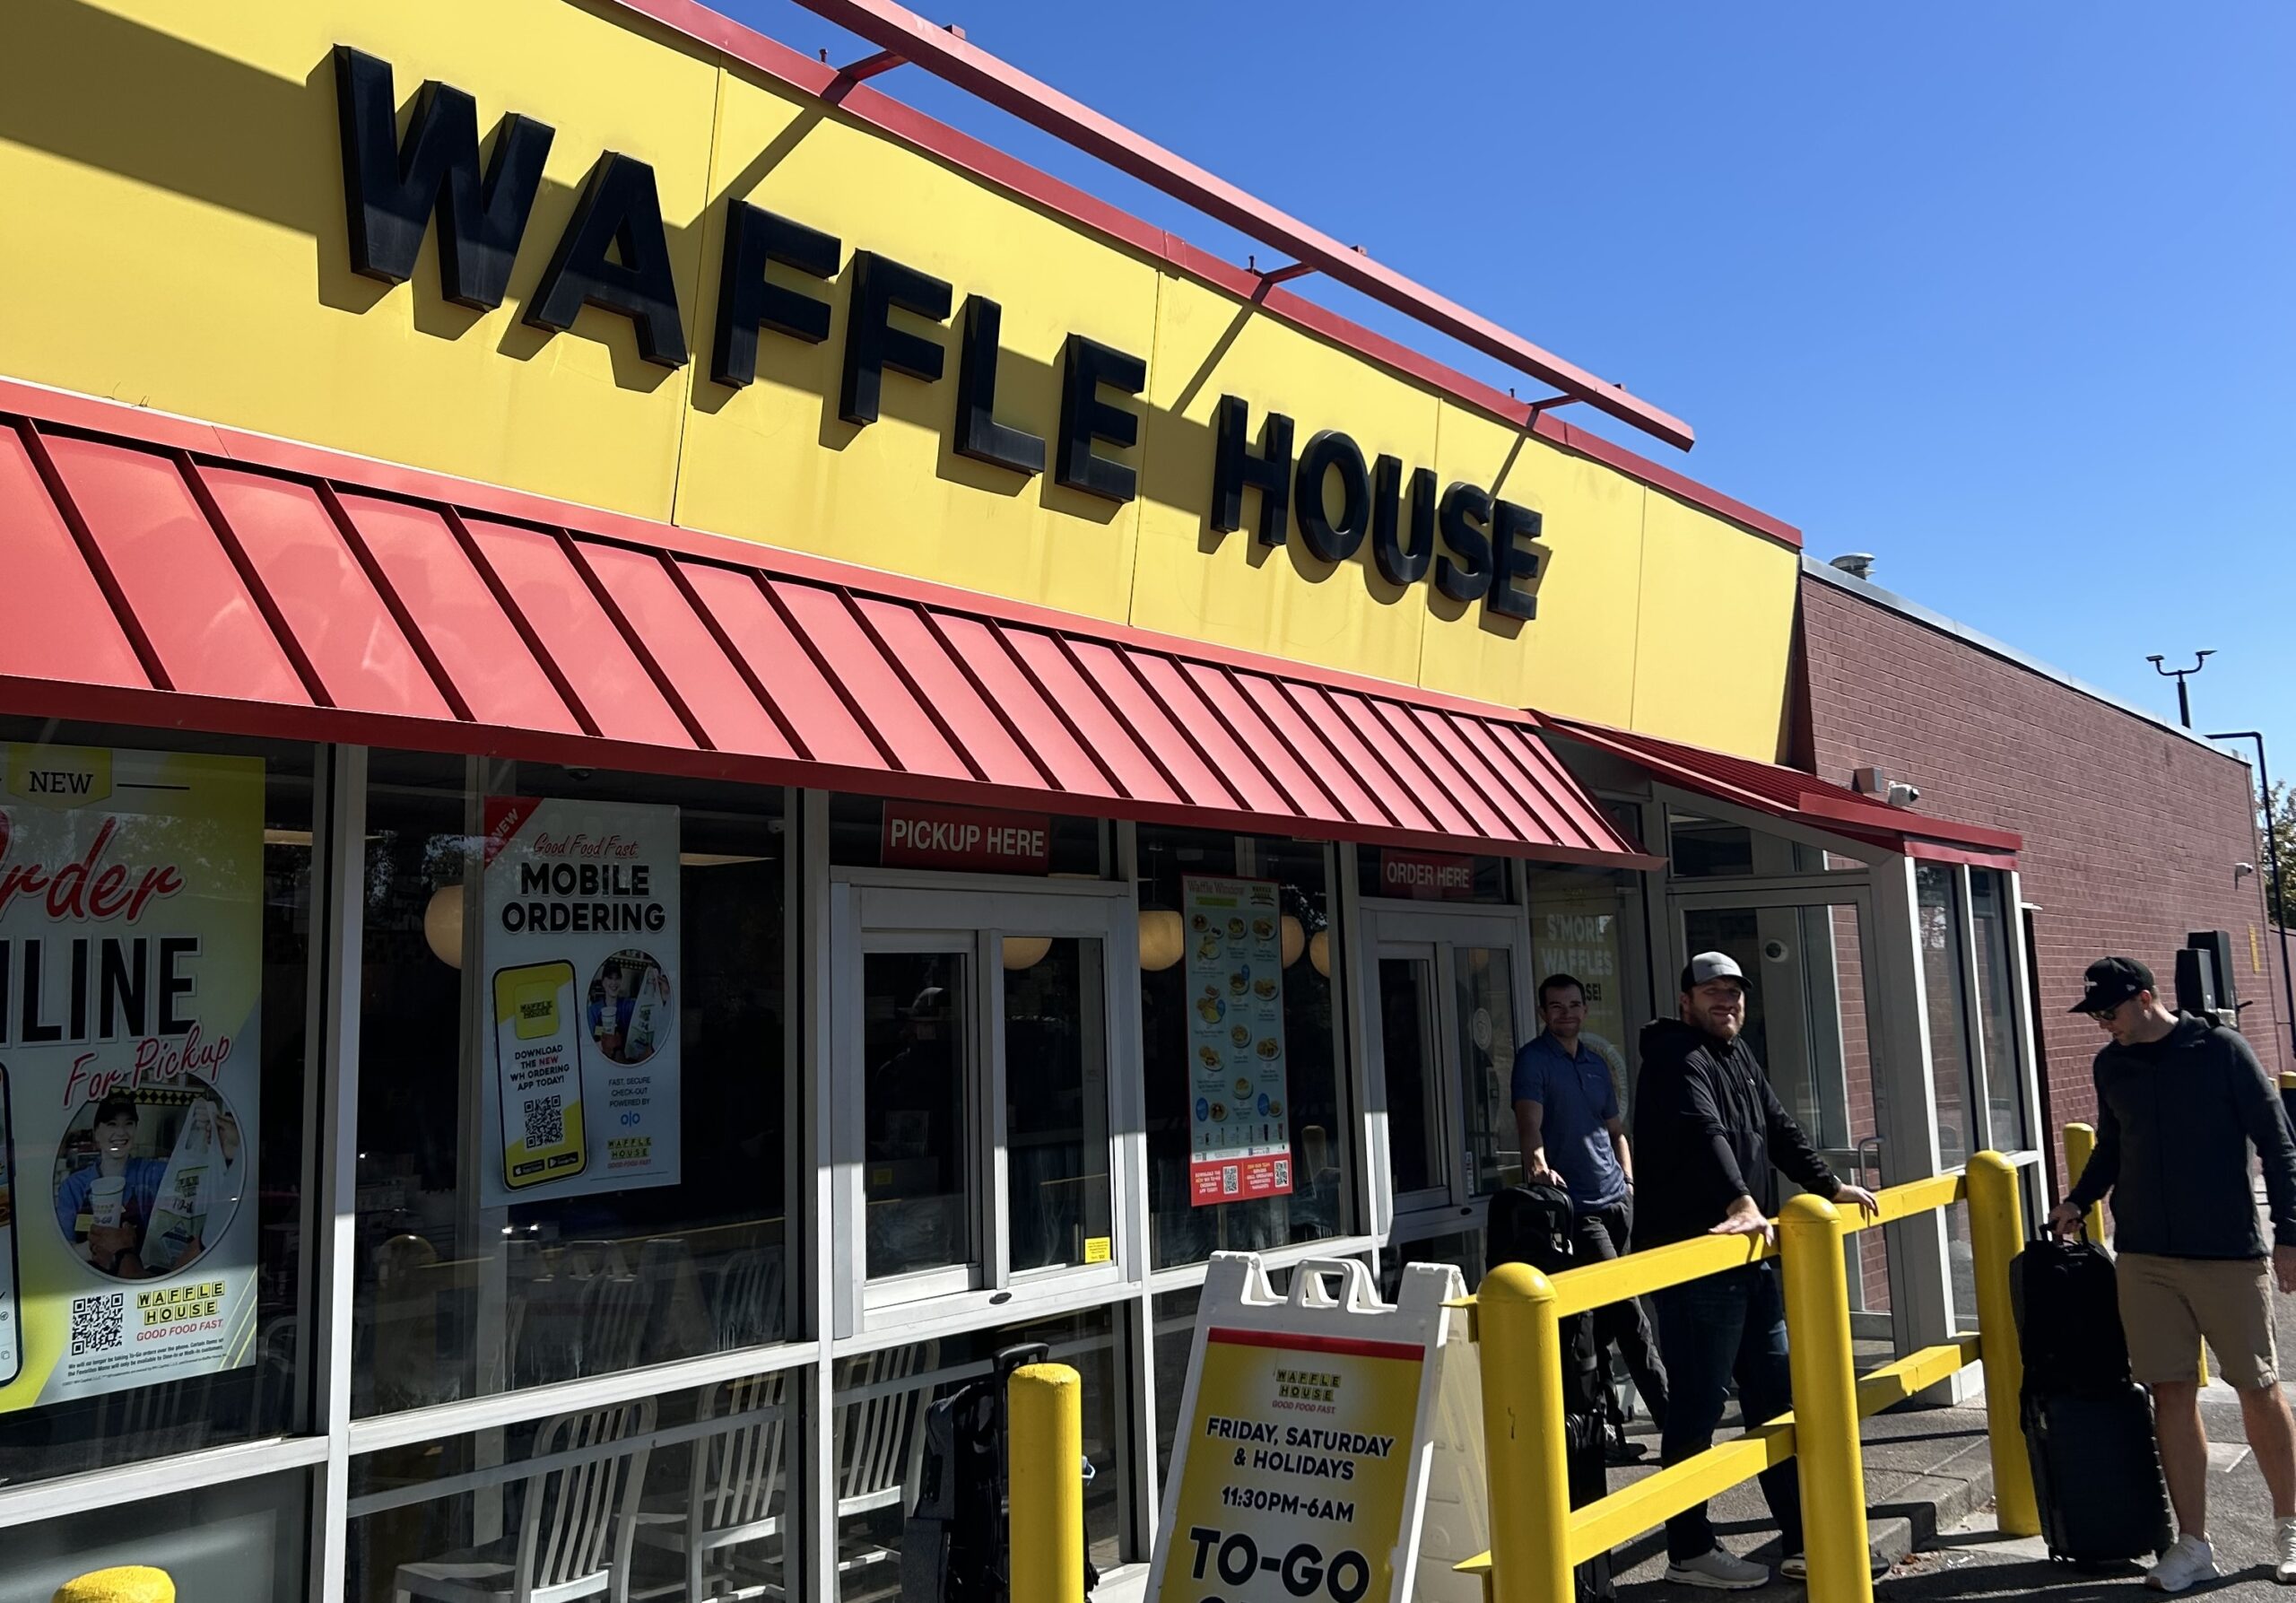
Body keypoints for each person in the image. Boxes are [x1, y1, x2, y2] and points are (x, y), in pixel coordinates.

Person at [2048, 956, 2296, 1592]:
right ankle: (2193, 1544)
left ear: (2147, 997)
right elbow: (2111, 1143)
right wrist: (2079, 1199)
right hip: (2146, 1256)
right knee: (2170, 1390)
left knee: (2257, 1386)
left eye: (2110, 1011)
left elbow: (2279, 1142)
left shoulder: (2221, 1050)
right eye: (2096, 1015)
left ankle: (2291, 1525)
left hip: (2227, 1253)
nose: (2105, 1026)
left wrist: (2290, 1235)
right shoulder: (2113, 1065)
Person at [1633, 952, 1879, 1590]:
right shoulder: (1674, 1055)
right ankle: (1688, 1548)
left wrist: (1828, 1185)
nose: (1727, 1002)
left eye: (1735, 993)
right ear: (1686, 997)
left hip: (1751, 1255)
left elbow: (1776, 1125)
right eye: (1713, 991)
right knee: (1698, 1403)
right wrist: (1739, 1199)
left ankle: (1804, 1538)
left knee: (1776, 1397)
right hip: (1699, 1257)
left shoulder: (1736, 1054)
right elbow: (1701, 1130)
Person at [1514, 971, 1670, 1445]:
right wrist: (1538, 1165)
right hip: (1580, 1210)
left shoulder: (1597, 1063)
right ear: (1543, 1013)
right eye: (1556, 1006)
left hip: (1616, 1199)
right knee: (1629, 1312)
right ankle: (1674, 1419)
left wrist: (1628, 1181)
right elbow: (1529, 1124)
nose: (1566, 1014)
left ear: (1585, 1010)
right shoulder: (1533, 1060)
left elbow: (1615, 1130)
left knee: (1596, 1324)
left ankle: (1599, 1428)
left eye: (1574, 1005)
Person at [54, 1092, 170, 1276]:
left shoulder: (152, 1173)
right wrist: (105, 1245)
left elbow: (189, 1172)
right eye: (112, 1124)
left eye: (128, 1124)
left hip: (141, 1282)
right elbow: (62, 1252)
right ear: (97, 1133)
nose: (121, 1132)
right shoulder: (73, 1187)